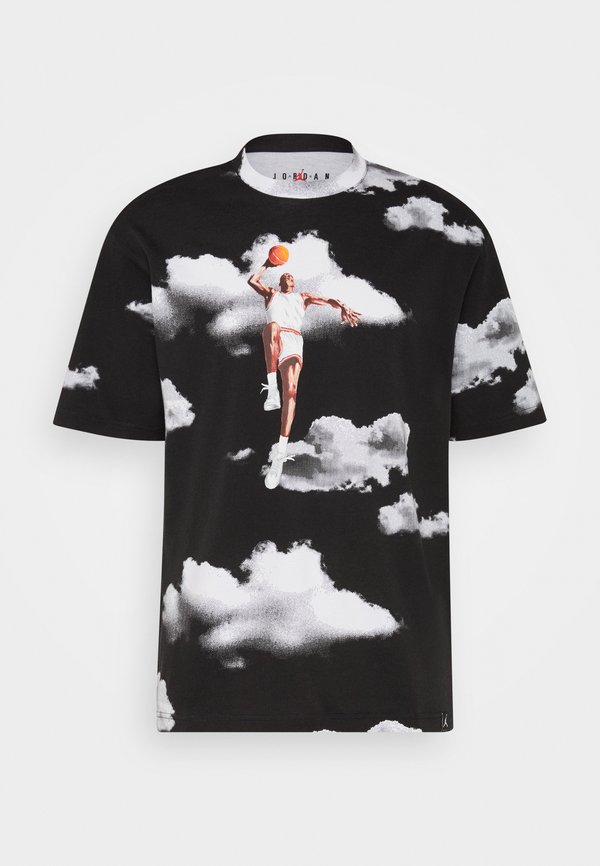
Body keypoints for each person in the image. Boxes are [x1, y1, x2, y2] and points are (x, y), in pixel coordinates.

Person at [247, 258, 362, 489]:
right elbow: (252, 281)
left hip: (293, 341)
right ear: (280, 282)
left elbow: (328, 300)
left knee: (291, 394)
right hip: (276, 336)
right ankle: (271, 389)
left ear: (294, 283)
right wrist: (268, 263)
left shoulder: (303, 297)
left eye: (291, 276)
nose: (288, 276)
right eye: (284, 275)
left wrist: (342, 305)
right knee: (271, 327)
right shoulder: (271, 294)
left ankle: (279, 455)